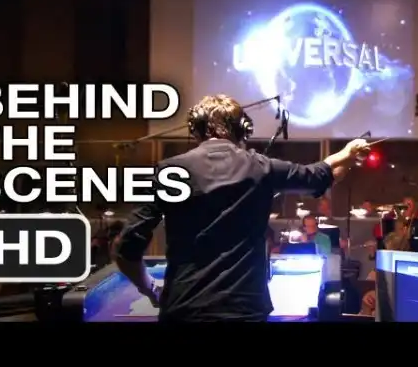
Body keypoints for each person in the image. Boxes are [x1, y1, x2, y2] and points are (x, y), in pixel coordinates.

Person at [113, 94, 370, 322]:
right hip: (244, 310)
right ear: (243, 129)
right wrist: (348, 154)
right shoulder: (261, 168)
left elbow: (125, 246)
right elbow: (321, 174)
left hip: (184, 309)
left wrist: (150, 289)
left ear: (195, 130)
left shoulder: (169, 171)